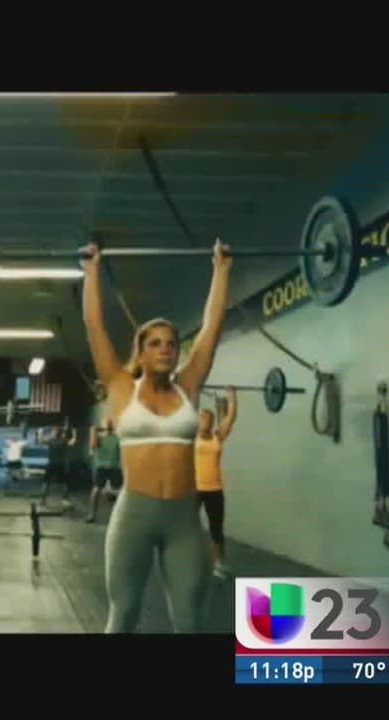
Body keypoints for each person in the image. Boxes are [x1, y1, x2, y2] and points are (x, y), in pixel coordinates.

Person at [82, 239, 231, 633]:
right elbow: (94, 328)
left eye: (171, 344)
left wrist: (221, 271)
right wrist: (91, 272)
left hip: (184, 519)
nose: (165, 349)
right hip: (134, 515)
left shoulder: (189, 386)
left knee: (188, 620)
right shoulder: (120, 389)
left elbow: (211, 330)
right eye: (155, 344)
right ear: (141, 352)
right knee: (124, 616)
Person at [196, 388, 237, 579]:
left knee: (216, 529)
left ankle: (219, 564)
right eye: (202, 419)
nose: (205, 422)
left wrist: (232, 397)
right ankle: (186, 560)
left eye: (208, 419)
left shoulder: (217, 436)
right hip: (195, 490)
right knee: (187, 527)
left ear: (212, 423)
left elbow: (231, 417)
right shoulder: (192, 437)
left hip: (214, 490)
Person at [86, 418, 122, 523]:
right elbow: (92, 447)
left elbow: (121, 452)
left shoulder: (117, 438)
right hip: (101, 467)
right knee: (96, 490)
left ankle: (119, 516)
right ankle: (92, 514)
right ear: (103, 426)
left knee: (119, 492)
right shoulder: (99, 437)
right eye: (107, 424)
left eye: (110, 424)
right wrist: (93, 432)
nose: (109, 426)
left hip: (115, 467)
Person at [39, 425, 77, 508]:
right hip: (61, 465)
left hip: (51, 464)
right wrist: (74, 433)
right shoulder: (64, 440)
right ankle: (65, 500)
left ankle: (42, 500)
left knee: (46, 483)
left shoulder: (50, 440)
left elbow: (40, 440)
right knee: (64, 483)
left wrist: (40, 431)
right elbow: (73, 442)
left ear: (54, 433)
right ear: (61, 433)